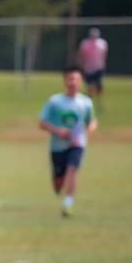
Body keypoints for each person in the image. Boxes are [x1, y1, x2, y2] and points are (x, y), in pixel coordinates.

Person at [38, 65, 96, 218]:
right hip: (57, 146)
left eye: (76, 79)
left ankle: (68, 204)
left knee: (72, 170)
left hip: (77, 144)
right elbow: (41, 123)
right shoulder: (55, 101)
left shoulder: (86, 102)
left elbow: (91, 121)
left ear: (81, 81)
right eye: (70, 79)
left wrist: (89, 130)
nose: (73, 82)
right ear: (64, 81)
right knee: (58, 183)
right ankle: (59, 185)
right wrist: (58, 131)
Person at [77, 27, 108, 111]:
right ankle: (87, 104)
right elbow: (80, 55)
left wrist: (103, 65)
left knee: (99, 86)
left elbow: (104, 55)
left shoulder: (102, 43)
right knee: (89, 87)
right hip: (88, 68)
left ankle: (100, 103)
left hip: (99, 68)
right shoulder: (85, 43)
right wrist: (80, 65)